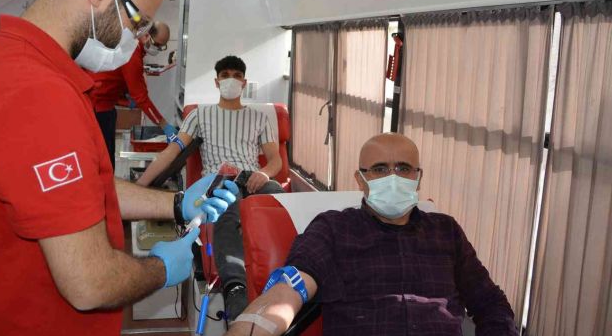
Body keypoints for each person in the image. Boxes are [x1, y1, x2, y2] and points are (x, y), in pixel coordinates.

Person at [0, 0, 237, 336]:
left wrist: (177, 204)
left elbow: (77, 192)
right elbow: (90, 283)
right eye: (138, 22)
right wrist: (161, 268)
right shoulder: (36, 94)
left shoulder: (14, 61)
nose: (137, 38)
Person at [225, 133, 519, 336]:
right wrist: (252, 326)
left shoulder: (446, 231)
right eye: (379, 169)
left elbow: (490, 302)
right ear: (360, 179)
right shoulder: (333, 229)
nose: (393, 178)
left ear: (418, 178)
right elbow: (290, 287)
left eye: (404, 168)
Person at [138, 55, 285, 320]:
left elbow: (276, 161)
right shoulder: (200, 115)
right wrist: (139, 187)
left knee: (279, 200)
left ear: (244, 82)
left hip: (253, 178)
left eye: (237, 75)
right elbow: (172, 152)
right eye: (225, 75)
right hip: (218, 181)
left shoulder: (260, 117)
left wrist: (263, 174)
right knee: (226, 210)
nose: (231, 80)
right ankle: (235, 288)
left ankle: (289, 277)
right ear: (217, 82)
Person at [87, 20, 175, 166]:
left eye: (162, 47)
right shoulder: (132, 52)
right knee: (104, 160)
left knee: (106, 156)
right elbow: (141, 97)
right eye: (157, 45)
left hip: (104, 104)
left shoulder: (133, 48)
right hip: (98, 107)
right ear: (146, 35)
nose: (158, 49)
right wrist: (164, 125)